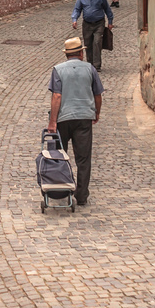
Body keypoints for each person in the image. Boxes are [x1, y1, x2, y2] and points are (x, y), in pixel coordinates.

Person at [48, 36, 103, 206]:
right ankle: (81, 195)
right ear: (81, 53)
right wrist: (96, 112)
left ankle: (60, 187)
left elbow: (57, 96)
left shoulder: (58, 70)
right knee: (83, 158)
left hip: (63, 119)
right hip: (84, 118)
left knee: (60, 155)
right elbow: (97, 95)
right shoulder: (90, 69)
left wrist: (52, 122)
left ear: (67, 54)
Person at [70, 0, 114, 66]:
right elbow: (77, 9)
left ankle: (97, 64)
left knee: (97, 42)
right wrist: (74, 19)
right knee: (88, 44)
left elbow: (107, 9)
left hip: (99, 23)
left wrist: (110, 22)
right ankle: (90, 64)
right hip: (87, 24)